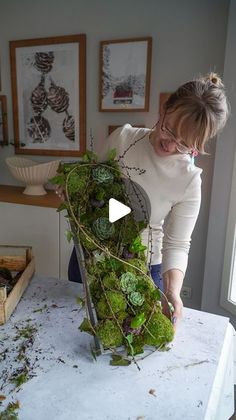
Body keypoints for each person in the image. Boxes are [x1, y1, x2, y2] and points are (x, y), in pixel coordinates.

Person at [60, 72, 229, 329]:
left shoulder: (189, 180)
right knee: (69, 327)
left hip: (142, 269)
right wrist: (73, 192)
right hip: (91, 254)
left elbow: (178, 244)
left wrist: (172, 291)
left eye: (185, 145)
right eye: (169, 130)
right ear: (164, 110)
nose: (171, 146)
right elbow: (91, 182)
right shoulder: (123, 139)